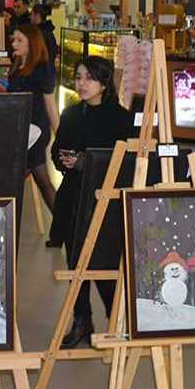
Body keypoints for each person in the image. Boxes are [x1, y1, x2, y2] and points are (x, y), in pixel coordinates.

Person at [50, 57, 133, 348]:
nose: (81, 83)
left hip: (106, 202)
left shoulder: (121, 119)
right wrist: (64, 161)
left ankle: (116, 319)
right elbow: (55, 150)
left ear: (104, 82)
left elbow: (127, 162)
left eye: (89, 78)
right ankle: (82, 320)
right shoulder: (72, 114)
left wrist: (88, 162)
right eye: (79, 77)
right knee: (76, 263)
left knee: (105, 262)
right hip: (73, 198)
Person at [0, 24, 58, 243]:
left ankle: (62, 228)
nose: (14, 44)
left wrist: (60, 135)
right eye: (13, 40)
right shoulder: (16, 66)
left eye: (19, 40)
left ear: (32, 42)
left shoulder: (44, 68)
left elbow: (50, 105)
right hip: (21, 128)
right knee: (42, 180)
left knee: (24, 178)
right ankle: (62, 228)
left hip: (35, 131)